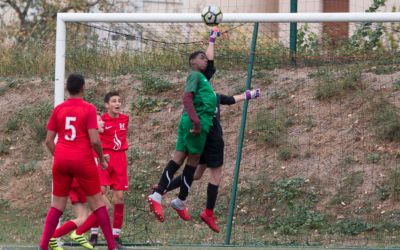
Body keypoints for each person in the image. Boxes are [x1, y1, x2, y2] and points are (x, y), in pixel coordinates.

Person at [155, 89, 260, 233]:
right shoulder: (204, 98)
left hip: (201, 140)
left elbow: (230, 99)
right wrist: (251, 94)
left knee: (197, 174)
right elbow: (228, 100)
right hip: (212, 139)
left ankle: (161, 190)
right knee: (216, 177)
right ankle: (208, 213)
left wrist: (249, 95)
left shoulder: (210, 96)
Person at [147, 28, 219, 222]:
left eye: (205, 58)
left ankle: (159, 195)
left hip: (191, 122)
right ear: (194, 62)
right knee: (190, 165)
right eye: (202, 58)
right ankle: (178, 200)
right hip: (196, 123)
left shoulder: (203, 77)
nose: (206, 60)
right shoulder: (196, 76)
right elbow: (187, 97)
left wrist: (213, 38)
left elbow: (210, 61)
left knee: (179, 159)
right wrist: (196, 121)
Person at [39, 73, 115, 250]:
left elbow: (49, 141)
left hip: (61, 159)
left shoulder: (58, 109)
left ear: (66, 88)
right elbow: (95, 140)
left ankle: (42, 246)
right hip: (82, 160)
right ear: (83, 88)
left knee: (56, 206)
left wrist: (59, 156)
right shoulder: (88, 108)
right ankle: (112, 246)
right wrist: (102, 159)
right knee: (98, 204)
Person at [48, 115, 111, 250]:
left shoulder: (85, 139)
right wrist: (102, 161)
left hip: (73, 180)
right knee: (105, 207)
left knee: (82, 217)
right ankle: (78, 233)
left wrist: (101, 159)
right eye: (99, 120)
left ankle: (53, 237)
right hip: (81, 180)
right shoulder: (91, 140)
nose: (102, 122)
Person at [89, 91, 129, 250]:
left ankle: (115, 236)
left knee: (119, 198)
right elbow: (92, 137)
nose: (117, 103)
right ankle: (93, 233)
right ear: (107, 105)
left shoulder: (125, 119)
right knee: (100, 194)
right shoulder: (100, 121)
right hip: (103, 158)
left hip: (119, 159)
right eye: (114, 101)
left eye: (119, 101)